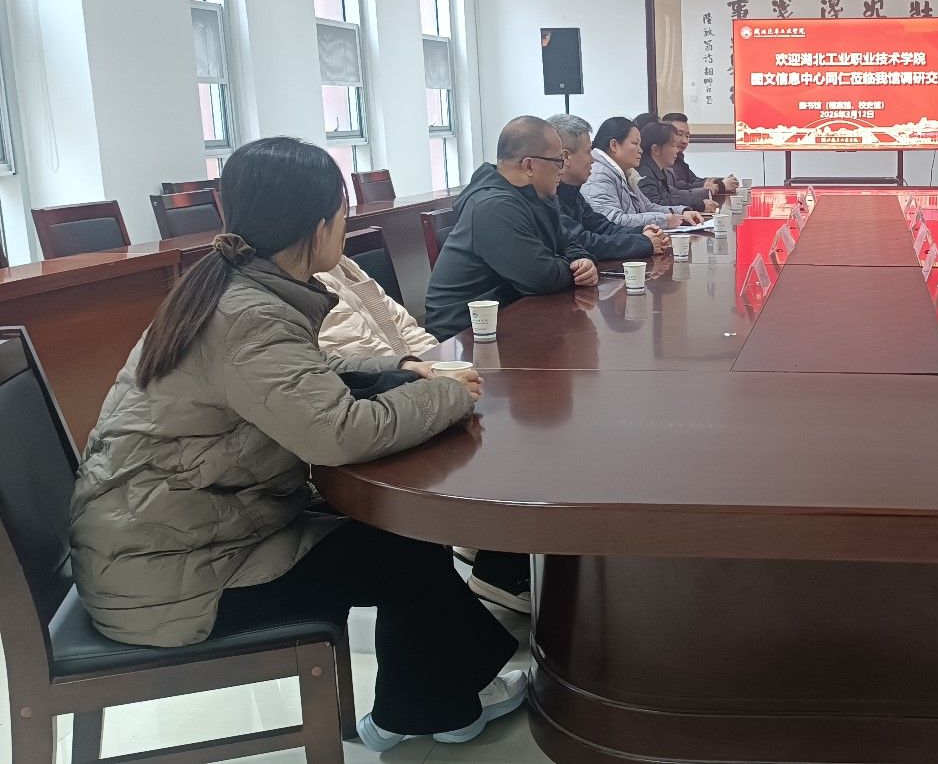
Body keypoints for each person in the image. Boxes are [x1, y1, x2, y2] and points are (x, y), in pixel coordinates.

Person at [68, 137, 522, 753]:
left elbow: (300, 374)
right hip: (172, 579)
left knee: (402, 539)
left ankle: (438, 700)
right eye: (342, 213)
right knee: (403, 547)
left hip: (163, 540)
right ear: (316, 225)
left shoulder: (226, 285)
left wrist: (396, 369)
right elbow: (337, 433)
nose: (346, 225)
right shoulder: (248, 314)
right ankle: (423, 710)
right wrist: (447, 395)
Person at [424, 116, 598, 340]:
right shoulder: (493, 207)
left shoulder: (539, 195)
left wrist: (582, 261)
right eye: (558, 162)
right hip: (465, 334)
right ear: (529, 165)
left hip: (512, 314)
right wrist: (574, 271)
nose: (562, 171)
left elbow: (568, 242)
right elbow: (541, 277)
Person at [549, 113, 670, 260]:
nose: (592, 159)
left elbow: (603, 226)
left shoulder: (572, 191)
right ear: (565, 157)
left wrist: (641, 232)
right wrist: (644, 242)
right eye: (588, 152)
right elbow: (582, 242)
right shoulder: (548, 196)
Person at [583, 116, 704, 230]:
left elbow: (647, 207)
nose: (640, 150)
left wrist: (682, 213)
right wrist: (664, 220)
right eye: (635, 143)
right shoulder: (598, 175)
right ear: (614, 145)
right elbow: (612, 220)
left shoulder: (625, 172)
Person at [317, 256, 438, 358]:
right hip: (391, 376)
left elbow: (404, 326)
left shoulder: (343, 264)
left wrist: (435, 362)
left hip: (409, 369)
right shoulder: (315, 286)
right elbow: (368, 358)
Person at [638, 121, 717, 213]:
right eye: (673, 145)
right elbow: (656, 205)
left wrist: (700, 200)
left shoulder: (657, 169)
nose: (677, 150)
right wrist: (699, 204)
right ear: (656, 150)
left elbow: (671, 195)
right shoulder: (644, 175)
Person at [661, 113, 739, 193]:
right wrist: (721, 185)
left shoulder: (679, 158)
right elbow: (682, 188)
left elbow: (694, 181)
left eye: (687, 136)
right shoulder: (664, 160)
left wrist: (721, 180)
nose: (684, 141)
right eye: (679, 134)